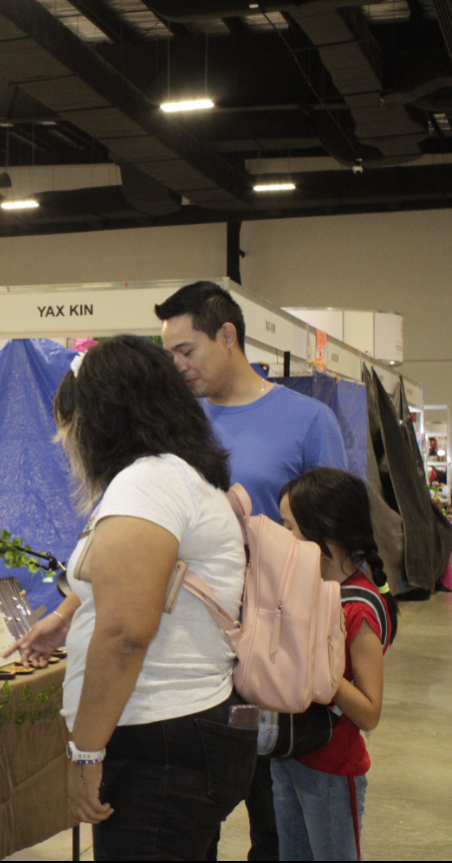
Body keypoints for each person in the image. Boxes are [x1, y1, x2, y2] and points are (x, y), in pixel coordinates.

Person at [10, 336, 257, 860]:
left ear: (100, 418)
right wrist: (64, 617)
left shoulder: (148, 483)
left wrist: (85, 754)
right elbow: (140, 580)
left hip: (158, 739)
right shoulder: (177, 476)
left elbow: (125, 633)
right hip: (183, 730)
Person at [156, 280, 347, 861]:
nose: (178, 366)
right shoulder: (178, 425)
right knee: (192, 818)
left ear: (228, 336)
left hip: (275, 647)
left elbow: (335, 549)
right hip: (192, 647)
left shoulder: (309, 421)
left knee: (277, 824)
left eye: (186, 350)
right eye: (169, 356)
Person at [276, 468, 396, 861]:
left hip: (331, 770)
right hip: (288, 755)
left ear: (324, 533)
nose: (282, 537)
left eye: (289, 526)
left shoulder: (357, 609)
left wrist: (319, 660)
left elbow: (369, 712)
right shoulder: (309, 590)